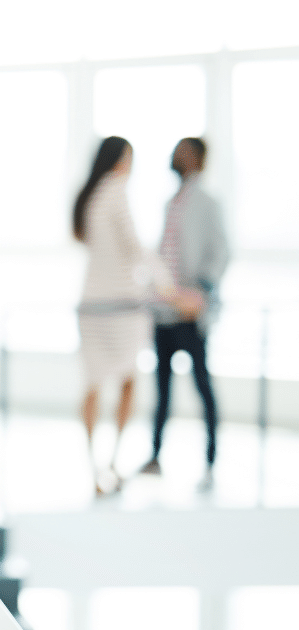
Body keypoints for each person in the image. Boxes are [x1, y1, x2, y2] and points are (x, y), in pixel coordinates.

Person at [73, 137, 172, 496]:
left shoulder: (89, 195)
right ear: (120, 160)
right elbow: (134, 248)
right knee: (128, 379)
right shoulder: (116, 191)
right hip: (120, 305)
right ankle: (112, 460)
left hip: (90, 302)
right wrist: (169, 287)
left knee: (92, 383)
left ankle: (93, 466)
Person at [139, 137, 230, 492]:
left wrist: (203, 290)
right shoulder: (170, 203)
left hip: (190, 313)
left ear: (198, 159)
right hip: (163, 310)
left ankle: (210, 461)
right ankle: (155, 456)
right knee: (161, 389)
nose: (177, 156)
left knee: (202, 387)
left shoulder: (208, 202)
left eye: (185, 151)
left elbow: (221, 249)